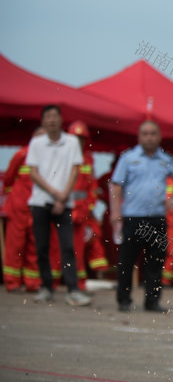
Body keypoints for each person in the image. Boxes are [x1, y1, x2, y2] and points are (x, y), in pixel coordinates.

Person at [110, 120, 173, 313]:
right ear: (139, 136)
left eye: (153, 133)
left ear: (159, 137)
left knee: (155, 262)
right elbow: (116, 185)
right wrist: (116, 212)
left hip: (156, 219)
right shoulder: (128, 158)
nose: (149, 137)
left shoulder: (166, 159)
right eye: (145, 133)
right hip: (132, 218)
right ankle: (124, 300)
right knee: (127, 262)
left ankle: (152, 301)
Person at [25, 105, 91, 306]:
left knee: (67, 246)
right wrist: (54, 193)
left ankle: (73, 289)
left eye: (55, 116)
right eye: (48, 117)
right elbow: (34, 173)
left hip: (65, 203)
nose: (52, 120)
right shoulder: (36, 143)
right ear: (43, 121)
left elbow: (74, 170)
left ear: (61, 120)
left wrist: (63, 198)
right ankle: (46, 287)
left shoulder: (71, 142)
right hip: (40, 202)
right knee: (42, 246)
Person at [66, 121, 109, 283]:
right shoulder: (61, 156)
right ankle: (54, 282)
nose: (78, 142)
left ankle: (82, 280)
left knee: (89, 240)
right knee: (59, 245)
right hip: (63, 208)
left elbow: (92, 186)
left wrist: (90, 206)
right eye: (75, 138)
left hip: (83, 210)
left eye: (81, 138)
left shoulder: (88, 159)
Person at [3, 127, 44, 292]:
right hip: (18, 208)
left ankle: (32, 283)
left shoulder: (49, 159)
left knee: (35, 246)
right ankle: (12, 283)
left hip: (37, 208)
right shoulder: (21, 154)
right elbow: (8, 179)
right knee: (15, 247)